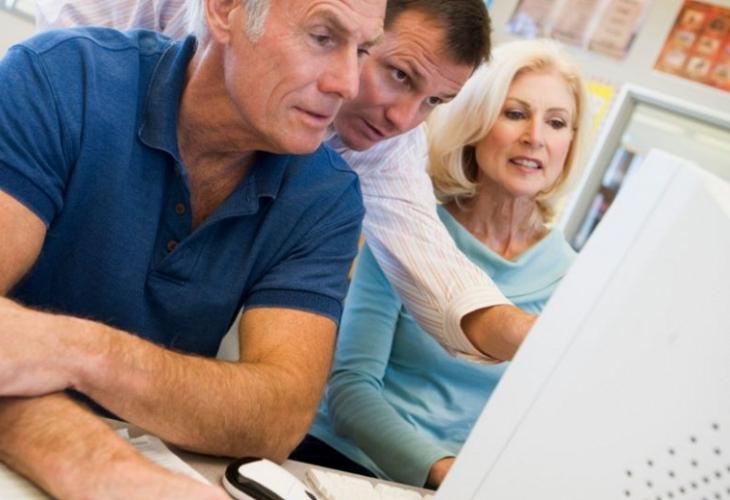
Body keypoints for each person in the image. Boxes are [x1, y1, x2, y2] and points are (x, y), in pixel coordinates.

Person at [0, 0, 385, 498]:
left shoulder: (326, 196)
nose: (349, 84)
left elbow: (277, 418)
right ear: (224, 10)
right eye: (322, 37)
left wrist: (83, 353)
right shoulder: (60, 77)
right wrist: (99, 465)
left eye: (363, 50)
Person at [35, 0, 537, 364]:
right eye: (399, 75)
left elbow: (433, 267)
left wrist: (541, 344)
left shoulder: (382, 149)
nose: (403, 118)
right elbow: (46, 97)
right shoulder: (104, 49)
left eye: (434, 102)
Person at [297, 39, 591, 488]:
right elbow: (350, 390)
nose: (535, 137)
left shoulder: (578, 279)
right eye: (515, 114)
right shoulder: (407, 230)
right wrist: (444, 473)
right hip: (344, 461)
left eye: (556, 123)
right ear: (475, 121)